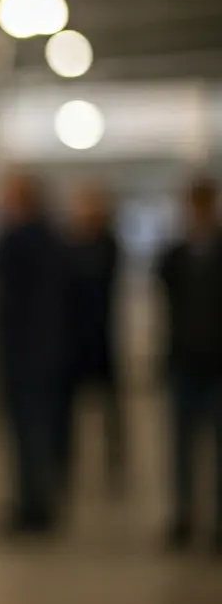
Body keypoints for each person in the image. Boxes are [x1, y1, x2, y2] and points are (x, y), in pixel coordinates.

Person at [0, 172, 69, 536]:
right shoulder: (49, 239)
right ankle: (35, 500)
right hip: (36, 352)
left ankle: (34, 504)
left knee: (30, 432)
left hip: (26, 353)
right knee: (34, 432)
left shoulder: (21, 239)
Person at [155, 177, 222, 553]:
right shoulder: (176, 254)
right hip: (184, 362)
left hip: (217, 365)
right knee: (180, 446)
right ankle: (184, 514)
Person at [56, 183, 125, 496]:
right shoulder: (70, 246)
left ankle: (115, 464)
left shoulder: (107, 244)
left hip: (101, 339)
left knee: (109, 410)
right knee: (68, 412)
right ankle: (64, 464)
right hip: (73, 342)